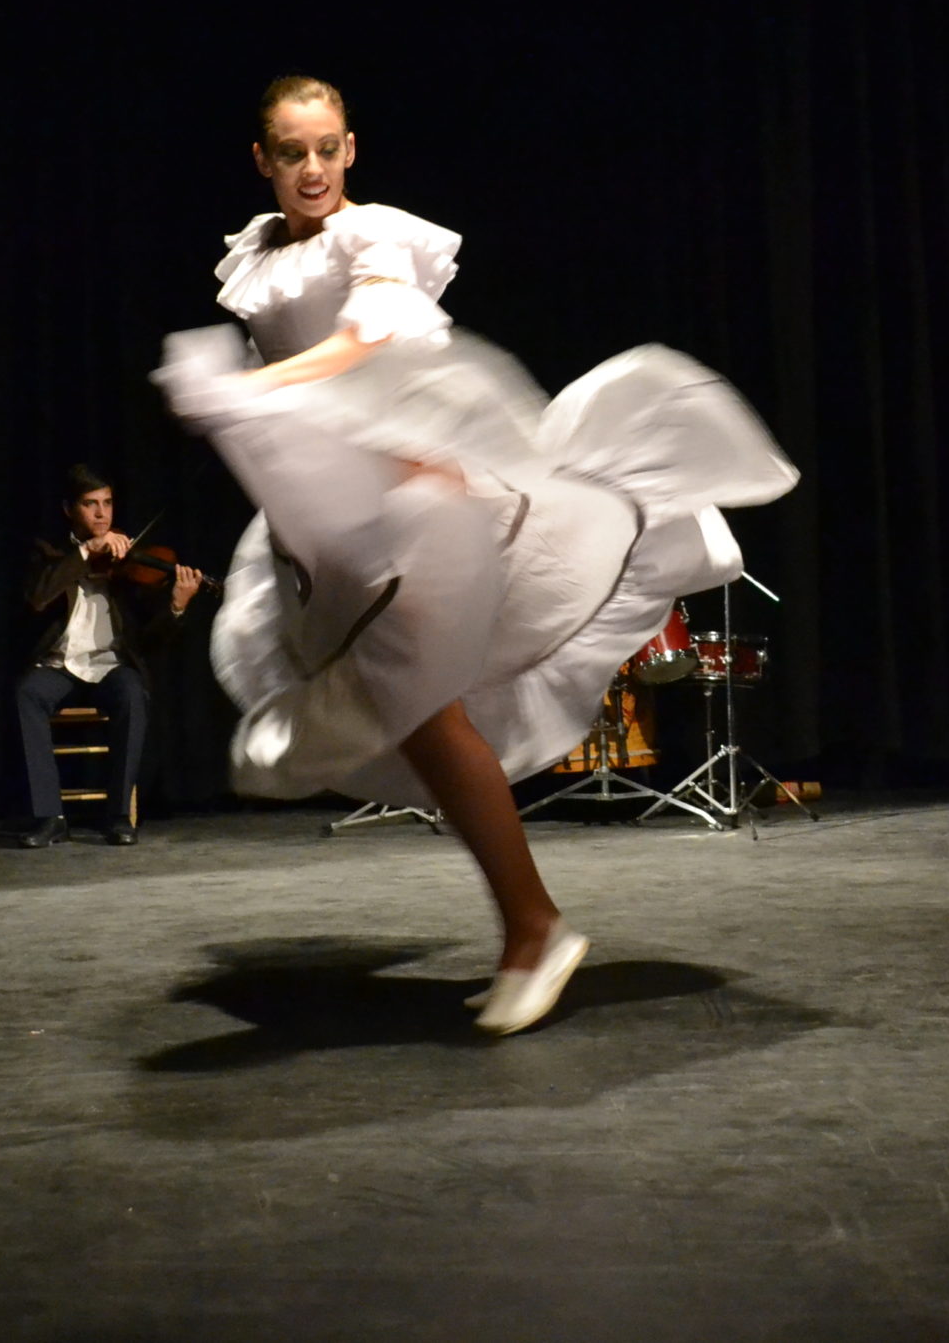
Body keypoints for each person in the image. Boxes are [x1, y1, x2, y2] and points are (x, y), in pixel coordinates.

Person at [155, 75, 796, 1034]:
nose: (314, 168)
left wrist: (254, 394)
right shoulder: (257, 253)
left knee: (427, 715)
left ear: (353, 147)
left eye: (328, 147)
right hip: (339, 528)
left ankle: (536, 927)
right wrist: (267, 422)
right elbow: (302, 390)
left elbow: (372, 337)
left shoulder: (376, 237)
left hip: (418, 501)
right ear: (263, 160)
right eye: (294, 152)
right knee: (424, 723)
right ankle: (531, 926)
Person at [14, 465, 202, 847]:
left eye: (107, 503)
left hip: (112, 668)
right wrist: (85, 552)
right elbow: (37, 599)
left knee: (133, 691)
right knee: (27, 693)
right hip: (60, 667)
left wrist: (177, 607)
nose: (101, 514)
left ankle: (117, 816)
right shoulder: (48, 553)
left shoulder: (129, 561)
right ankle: (50, 817)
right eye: (90, 504)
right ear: (69, 509)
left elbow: (149, 643)